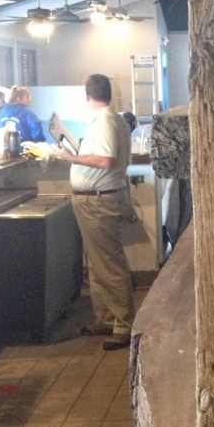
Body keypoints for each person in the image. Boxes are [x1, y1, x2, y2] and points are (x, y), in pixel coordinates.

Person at [59, 73, 135, 351]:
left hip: (98, 201)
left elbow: (105, 160)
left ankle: (123, 326)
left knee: (109, 265)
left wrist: (70, 157)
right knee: (98, 265)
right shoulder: (111, 119)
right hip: (96, 200)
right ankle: (106, 318)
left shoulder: (104, 120)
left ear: (87, 95)